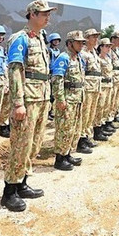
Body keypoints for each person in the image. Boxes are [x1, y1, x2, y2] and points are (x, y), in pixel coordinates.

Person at [0, 0, 53, 212]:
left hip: (41, 97)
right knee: (21, 144)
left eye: (48, 14)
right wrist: (18, 103)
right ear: (32, 14)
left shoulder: (40, 38)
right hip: (28, 99)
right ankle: (9, 191)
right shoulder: (20, 38)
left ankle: (22, 183)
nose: (48, 17)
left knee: (34, 143)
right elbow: (15, 71)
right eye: (44, 13)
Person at [51, 31, 86, 171]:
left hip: (76, 99)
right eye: (79, 42)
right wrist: (60, 99)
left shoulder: (77, 58)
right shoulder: (63, 57)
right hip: (67, 99)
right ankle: (59, 159)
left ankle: (67, 154)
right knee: (63, 129)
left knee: (73, 129)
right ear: (70, 43)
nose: (81, 45)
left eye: (83, 42)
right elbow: (57, 79)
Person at [77, 28, 102, 154]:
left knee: (91, 114)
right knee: (84, 114)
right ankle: (80, 140)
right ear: (86, 39)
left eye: (97, 36)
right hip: (87, 88)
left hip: (94, 87)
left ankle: (86, 135)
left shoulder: (94, 53)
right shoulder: (83, 53)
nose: (96, 39)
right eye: (93, 36)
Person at [95, 37, 114, 141]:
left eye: (110, 46)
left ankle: (102, 127)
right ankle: (97, 131)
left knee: (106, 107)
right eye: (107, 46)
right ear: (101, 47)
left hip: (109, 85)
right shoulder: (98, 59)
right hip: (102, 86)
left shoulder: (108, 58)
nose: (109, 48)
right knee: (100, 108)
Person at [47, 32, 61, 121]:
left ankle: (52, 110)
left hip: (56, 73)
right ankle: (48, 112)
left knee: (54, 94)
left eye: (57, 40)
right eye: (54, 40)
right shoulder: (49, 51)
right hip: (50, 73)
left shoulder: (58, 51)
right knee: (49, 94)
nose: (56, 42)